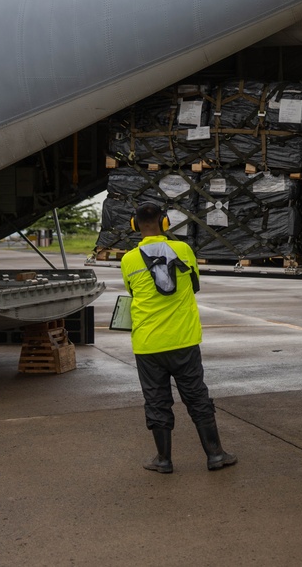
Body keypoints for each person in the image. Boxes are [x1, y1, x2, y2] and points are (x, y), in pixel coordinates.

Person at [121, 202, 236, 474]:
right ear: (165, 223)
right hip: (184, 340)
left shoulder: (128, 260)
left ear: (134, 225)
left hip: (148, 344)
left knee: (157, 400)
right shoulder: (184, 251)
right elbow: (194, 285)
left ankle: (163, 460)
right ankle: (216, 455)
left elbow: (133, 293)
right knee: (197, 397)